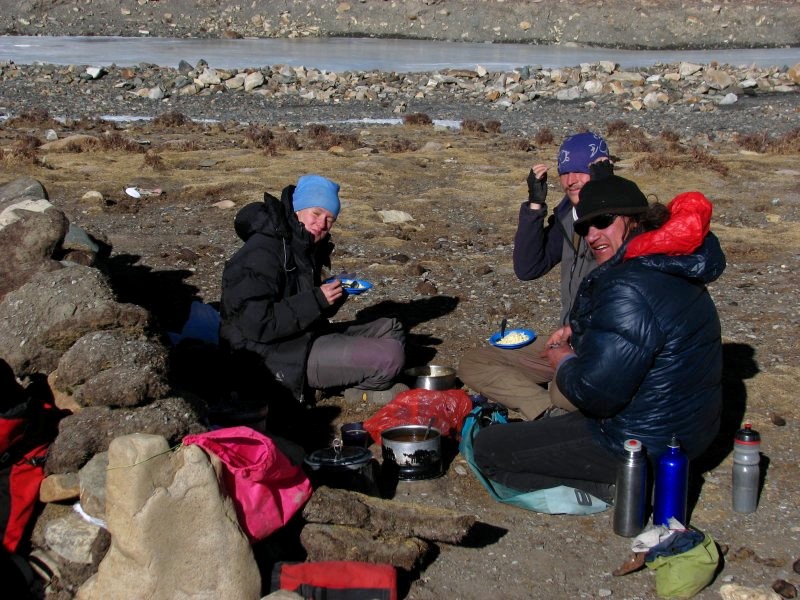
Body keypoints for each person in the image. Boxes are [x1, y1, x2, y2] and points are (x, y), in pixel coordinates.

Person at [473, 175, 725, 502]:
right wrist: (579, 333)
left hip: (637, 443)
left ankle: (614, 489)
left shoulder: (630, 284)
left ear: (634, 220)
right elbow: (641, 338)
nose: (592, 236)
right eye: (584, 227)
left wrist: (562, 360)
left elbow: (596, 394)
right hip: (687, 432)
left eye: (603, 222)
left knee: (489, 448)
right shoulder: (670, 262)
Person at [219, 174, 407, 411]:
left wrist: (335, 292)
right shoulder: (261, 252)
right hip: (268, 356)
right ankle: (342, 391)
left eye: (330, 219)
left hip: (302, 336)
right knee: (390, 357)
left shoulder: (302, 245)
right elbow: (257, 324)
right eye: (316, 213)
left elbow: (302, 305)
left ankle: (345, 377)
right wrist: (317, 298)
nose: (322, 224)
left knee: (392, 326)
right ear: (298, 209)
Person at [458, 132, 612, 419]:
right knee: (474, 362)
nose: (570, 180)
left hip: (607, 350)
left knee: (563, 388)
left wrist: (607, 195)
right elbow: (528, 268)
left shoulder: (623, 219)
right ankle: (544, 412)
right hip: (569, 340)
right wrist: (534, 207)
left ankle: (558, 401)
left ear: (601, 171)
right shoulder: (569, 216)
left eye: (581, 170)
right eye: (564, 172)